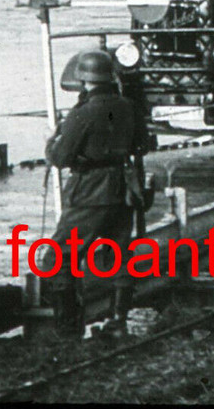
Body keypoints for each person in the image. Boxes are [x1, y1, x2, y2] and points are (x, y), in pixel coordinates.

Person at [43, 49, 150, 339]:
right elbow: (144, 142)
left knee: (58, 256)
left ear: (83, 80)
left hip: (90, 191)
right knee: (119, 254)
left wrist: (50, 143)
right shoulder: (128, 106)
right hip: (124, 190)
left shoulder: (83, 112)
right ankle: (118, 321)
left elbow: (62, 158)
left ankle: (67, 330)